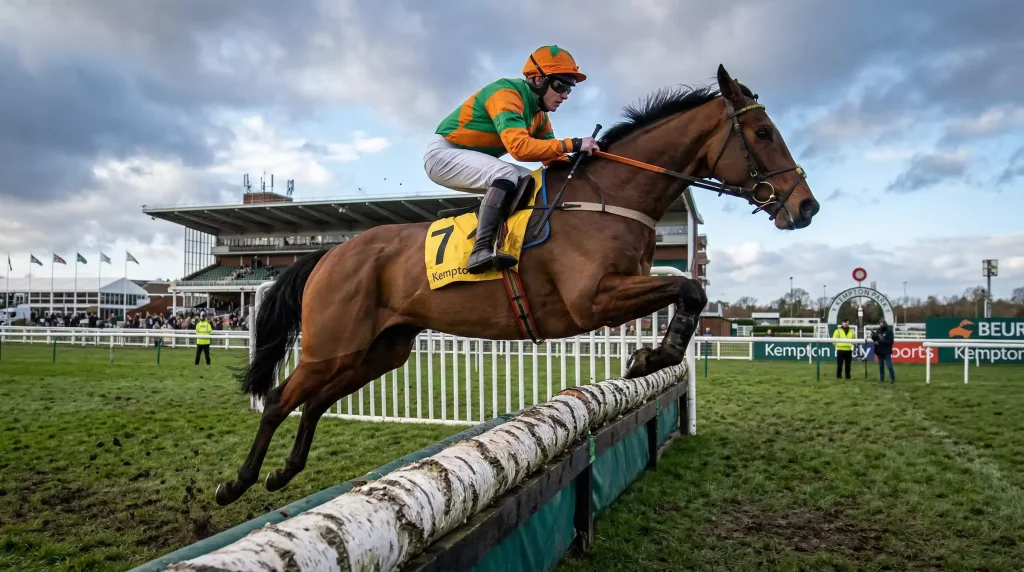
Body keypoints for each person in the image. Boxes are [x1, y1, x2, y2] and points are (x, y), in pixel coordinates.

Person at [423, 45, 600, 274]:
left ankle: (508, 240)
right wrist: (575, 143)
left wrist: (585, 163)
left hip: (468, 157)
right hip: (443, 155)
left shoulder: (540, 116)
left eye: (569, 88)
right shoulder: (507, 93)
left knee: (533, 182)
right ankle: (480, 250)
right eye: (560, 85)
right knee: (506, 175)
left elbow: (552, 158)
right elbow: (520, 149)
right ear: (538, 80)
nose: (565, 95)